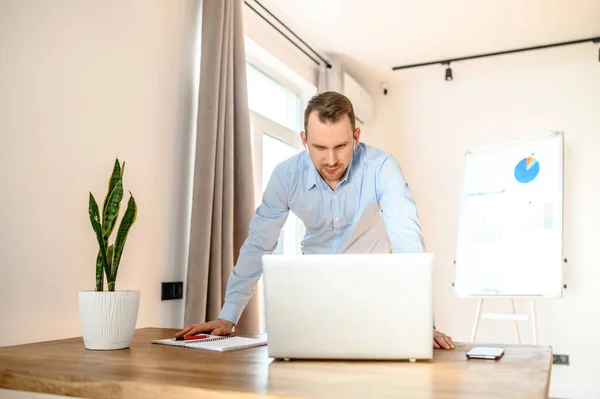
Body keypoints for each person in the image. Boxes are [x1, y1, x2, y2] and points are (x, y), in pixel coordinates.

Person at [177, 91, 455, 350]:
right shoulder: (286, 176)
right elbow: (258, 245)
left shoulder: (382, 168)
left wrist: (422, 322)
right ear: (304, 140)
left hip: (373, 297)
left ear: (356, 137)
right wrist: (228, 316)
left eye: (342, 146)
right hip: (313, 301)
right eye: (320, 147)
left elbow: (407, 239)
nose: (331, 159)